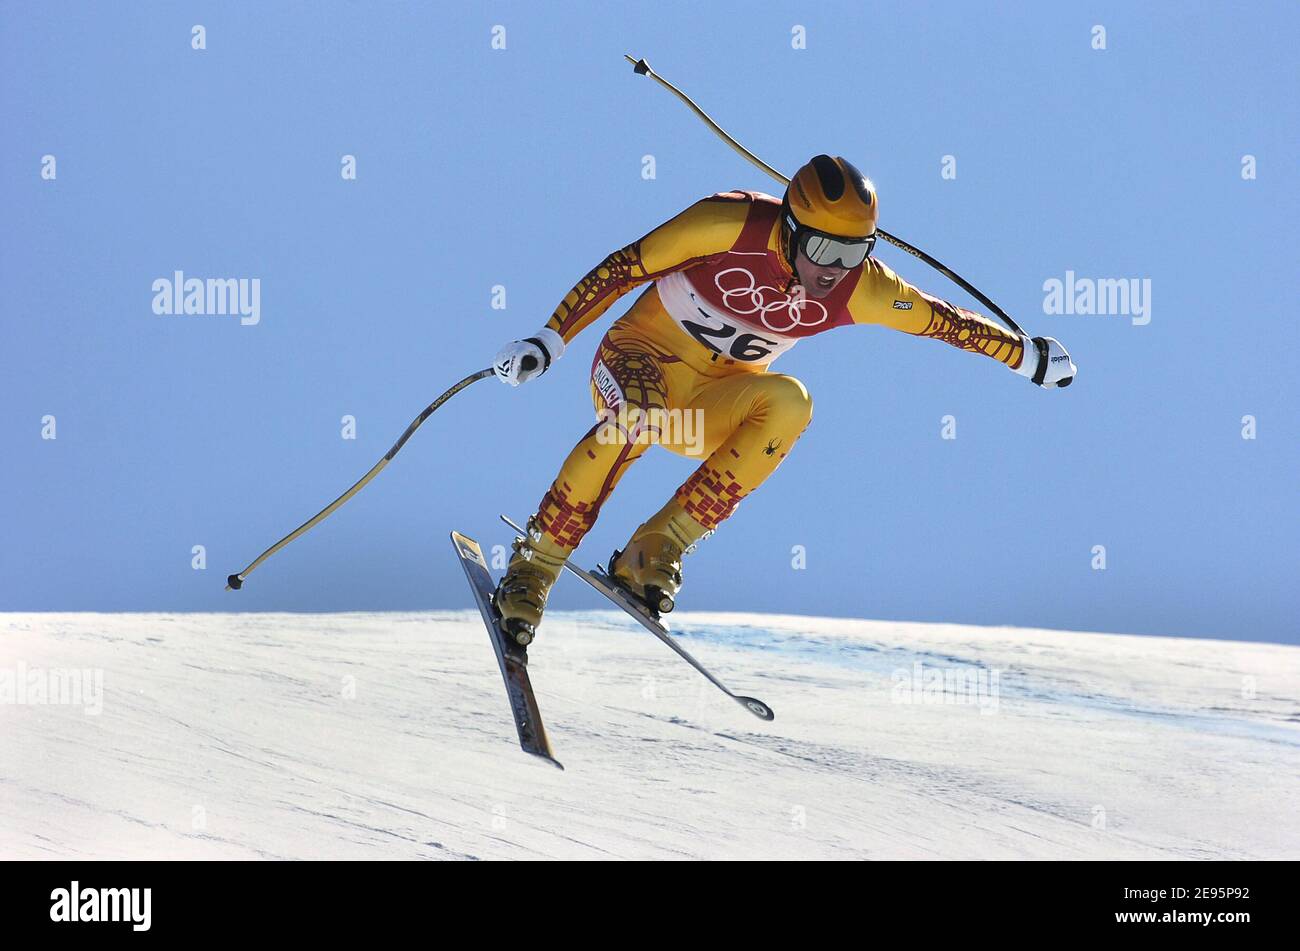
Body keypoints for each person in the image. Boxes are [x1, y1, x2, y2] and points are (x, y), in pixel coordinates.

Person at [490, 155, 1075, 644]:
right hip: (637, 364)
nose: (834, 273)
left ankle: (654, 550)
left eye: (854, 254)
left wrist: (1024, 356)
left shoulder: (863, 287)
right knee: (640, 417)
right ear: (790, 231)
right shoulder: (727, 223)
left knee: (791, 401)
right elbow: (625, 268)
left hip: (705, 414)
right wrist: (551, 337)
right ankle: (536, 565)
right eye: (823, 251)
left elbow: (942, 323)